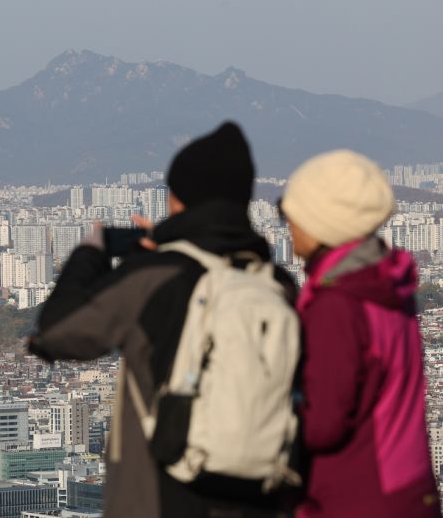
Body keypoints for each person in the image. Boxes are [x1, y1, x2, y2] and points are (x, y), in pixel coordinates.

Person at [30, 122, 296, 518]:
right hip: (258, 500)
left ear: (177, 199)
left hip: (158, 498)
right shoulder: (276, 284)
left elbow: (57, 332)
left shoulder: (154, 277)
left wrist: (91, 252)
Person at [279, 150, 440, 518]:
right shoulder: (386, 286)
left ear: (321, 222)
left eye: (291, 213)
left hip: (355, 497)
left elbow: (322, 424)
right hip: (407, 490)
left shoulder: (338, 304)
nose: (287, 224)